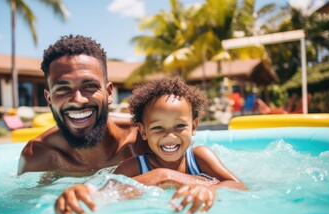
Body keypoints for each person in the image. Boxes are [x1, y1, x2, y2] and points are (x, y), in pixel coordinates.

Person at [18, 35, 223, 186]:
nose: (78, 100)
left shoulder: (147, 137)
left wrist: (165, 175)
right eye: (62, 89)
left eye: (90, 86)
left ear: (108, 92)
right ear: (49, 98)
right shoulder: (38, 156)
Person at [55, 76, 247, 214]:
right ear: (143, 131)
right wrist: (80, 194)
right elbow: (106, 194)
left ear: (194, 127)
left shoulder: (198, 157)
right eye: (157, 128)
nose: (170, 135)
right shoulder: (134, 167)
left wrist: (211, 191)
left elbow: (239, 186)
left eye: (180, 126)